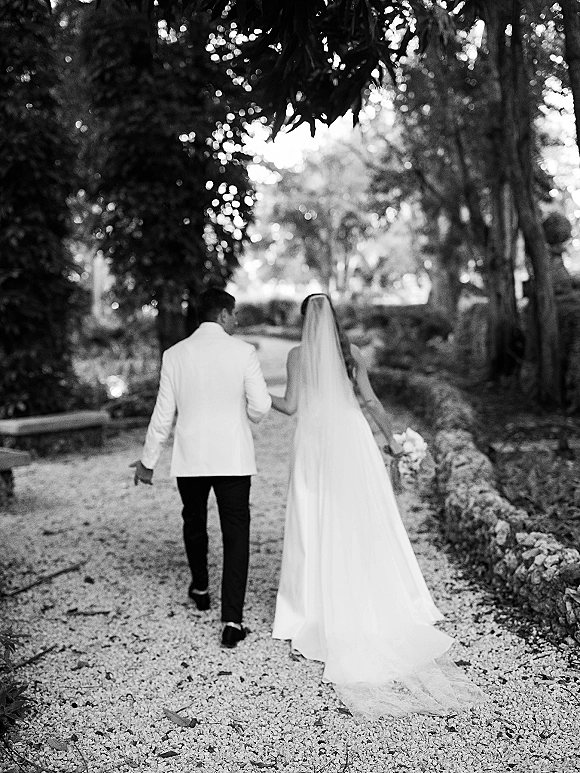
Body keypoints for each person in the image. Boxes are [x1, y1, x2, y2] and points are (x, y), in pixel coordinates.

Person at [269, 293, 484, 717]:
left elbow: (290, 406)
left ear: (303, 322)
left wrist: (256, 395)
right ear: (335, 320)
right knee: (363, 517)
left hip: (314, 441)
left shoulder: (296, 355)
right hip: (351, 438)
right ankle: (370, 588)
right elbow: (369, 402)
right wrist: (393, 441)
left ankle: (307, 607)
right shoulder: (350, 356)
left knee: (312, 520)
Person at [131, 287, 271, 649]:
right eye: (234, 314)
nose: (236, 320)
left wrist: (148, 462)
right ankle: (232, 620)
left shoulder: (175, 354)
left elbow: (164, 413)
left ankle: (200, 588)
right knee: (236, 532)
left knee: (193, 521)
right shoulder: (243, 352)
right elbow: (259, 408)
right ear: (223, 315)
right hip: (233, 458)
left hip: (191, 457)